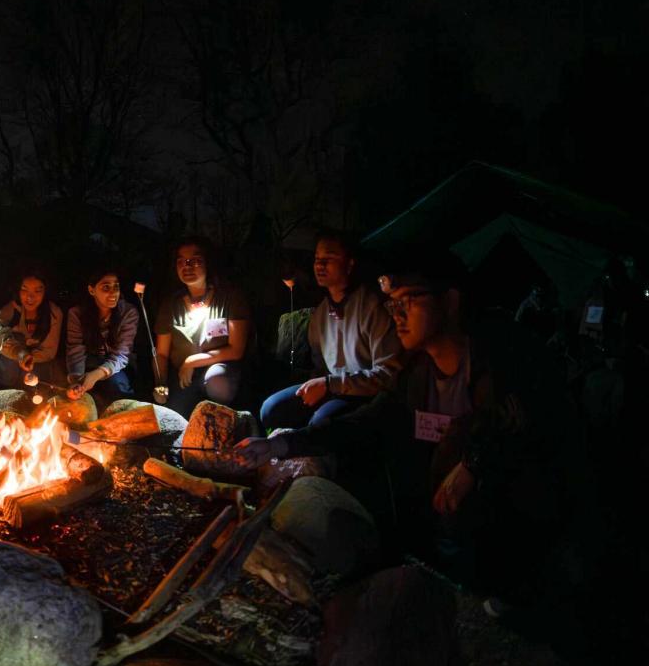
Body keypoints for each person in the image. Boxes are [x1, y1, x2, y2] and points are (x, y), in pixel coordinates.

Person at [234, 250, 580, 608]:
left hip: (516, 509)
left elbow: (534, 429)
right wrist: (279, 446)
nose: (396, 315)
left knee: (463, 449)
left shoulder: (506, 354)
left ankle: (513, 589)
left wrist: (474, 464)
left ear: (449, 301)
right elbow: (367, 421)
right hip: (439, 512)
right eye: (392, 304)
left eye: (408, 301)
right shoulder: (417, 371)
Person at [260, 230, 402, 430]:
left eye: (330, 258)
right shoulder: (320, 315)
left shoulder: (371, 307)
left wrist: (329, 384)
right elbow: (321, 367)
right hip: (331, 387)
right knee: (271, 409)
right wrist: (318, 384)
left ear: (350, 263)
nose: (320, 265)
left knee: (321, 424)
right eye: (317, 259)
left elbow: (388, 375)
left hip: (364, 394)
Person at [153, 236, 253, 417]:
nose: (187, 266)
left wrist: (193, 360)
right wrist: (160, 383)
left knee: (217, 382)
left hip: (219, 368)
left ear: (208, 263)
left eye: (195, 261)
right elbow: (161, 353)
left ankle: (223, 419)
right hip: (184, 376)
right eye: (181, 261)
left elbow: (236, 349)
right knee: (174, 415)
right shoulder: (171, 304)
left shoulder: (230, 297)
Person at [65, 265, 138, 410]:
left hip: (117, 366)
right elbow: (75, 349)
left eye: (116, 287)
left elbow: (122, 354)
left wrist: (97, 374)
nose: (113, 293)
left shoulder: (128, 313)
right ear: (92, 290)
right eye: (106, 288)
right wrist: (76, 380)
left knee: (117, 385)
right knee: (75, 394)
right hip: (89, 360)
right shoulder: (77, 314)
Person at [0, 269, 63, 389]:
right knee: (9, 371)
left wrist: (29, 359)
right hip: (11, 359)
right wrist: (20, 353)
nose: (30, 296)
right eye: (24, 289)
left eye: (37, 291)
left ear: (45, 292)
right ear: (18, 290)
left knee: (38, 385)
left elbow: (49, 351)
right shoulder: (10, 309)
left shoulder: (54, 313)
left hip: (39, 360)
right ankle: (6, 389)